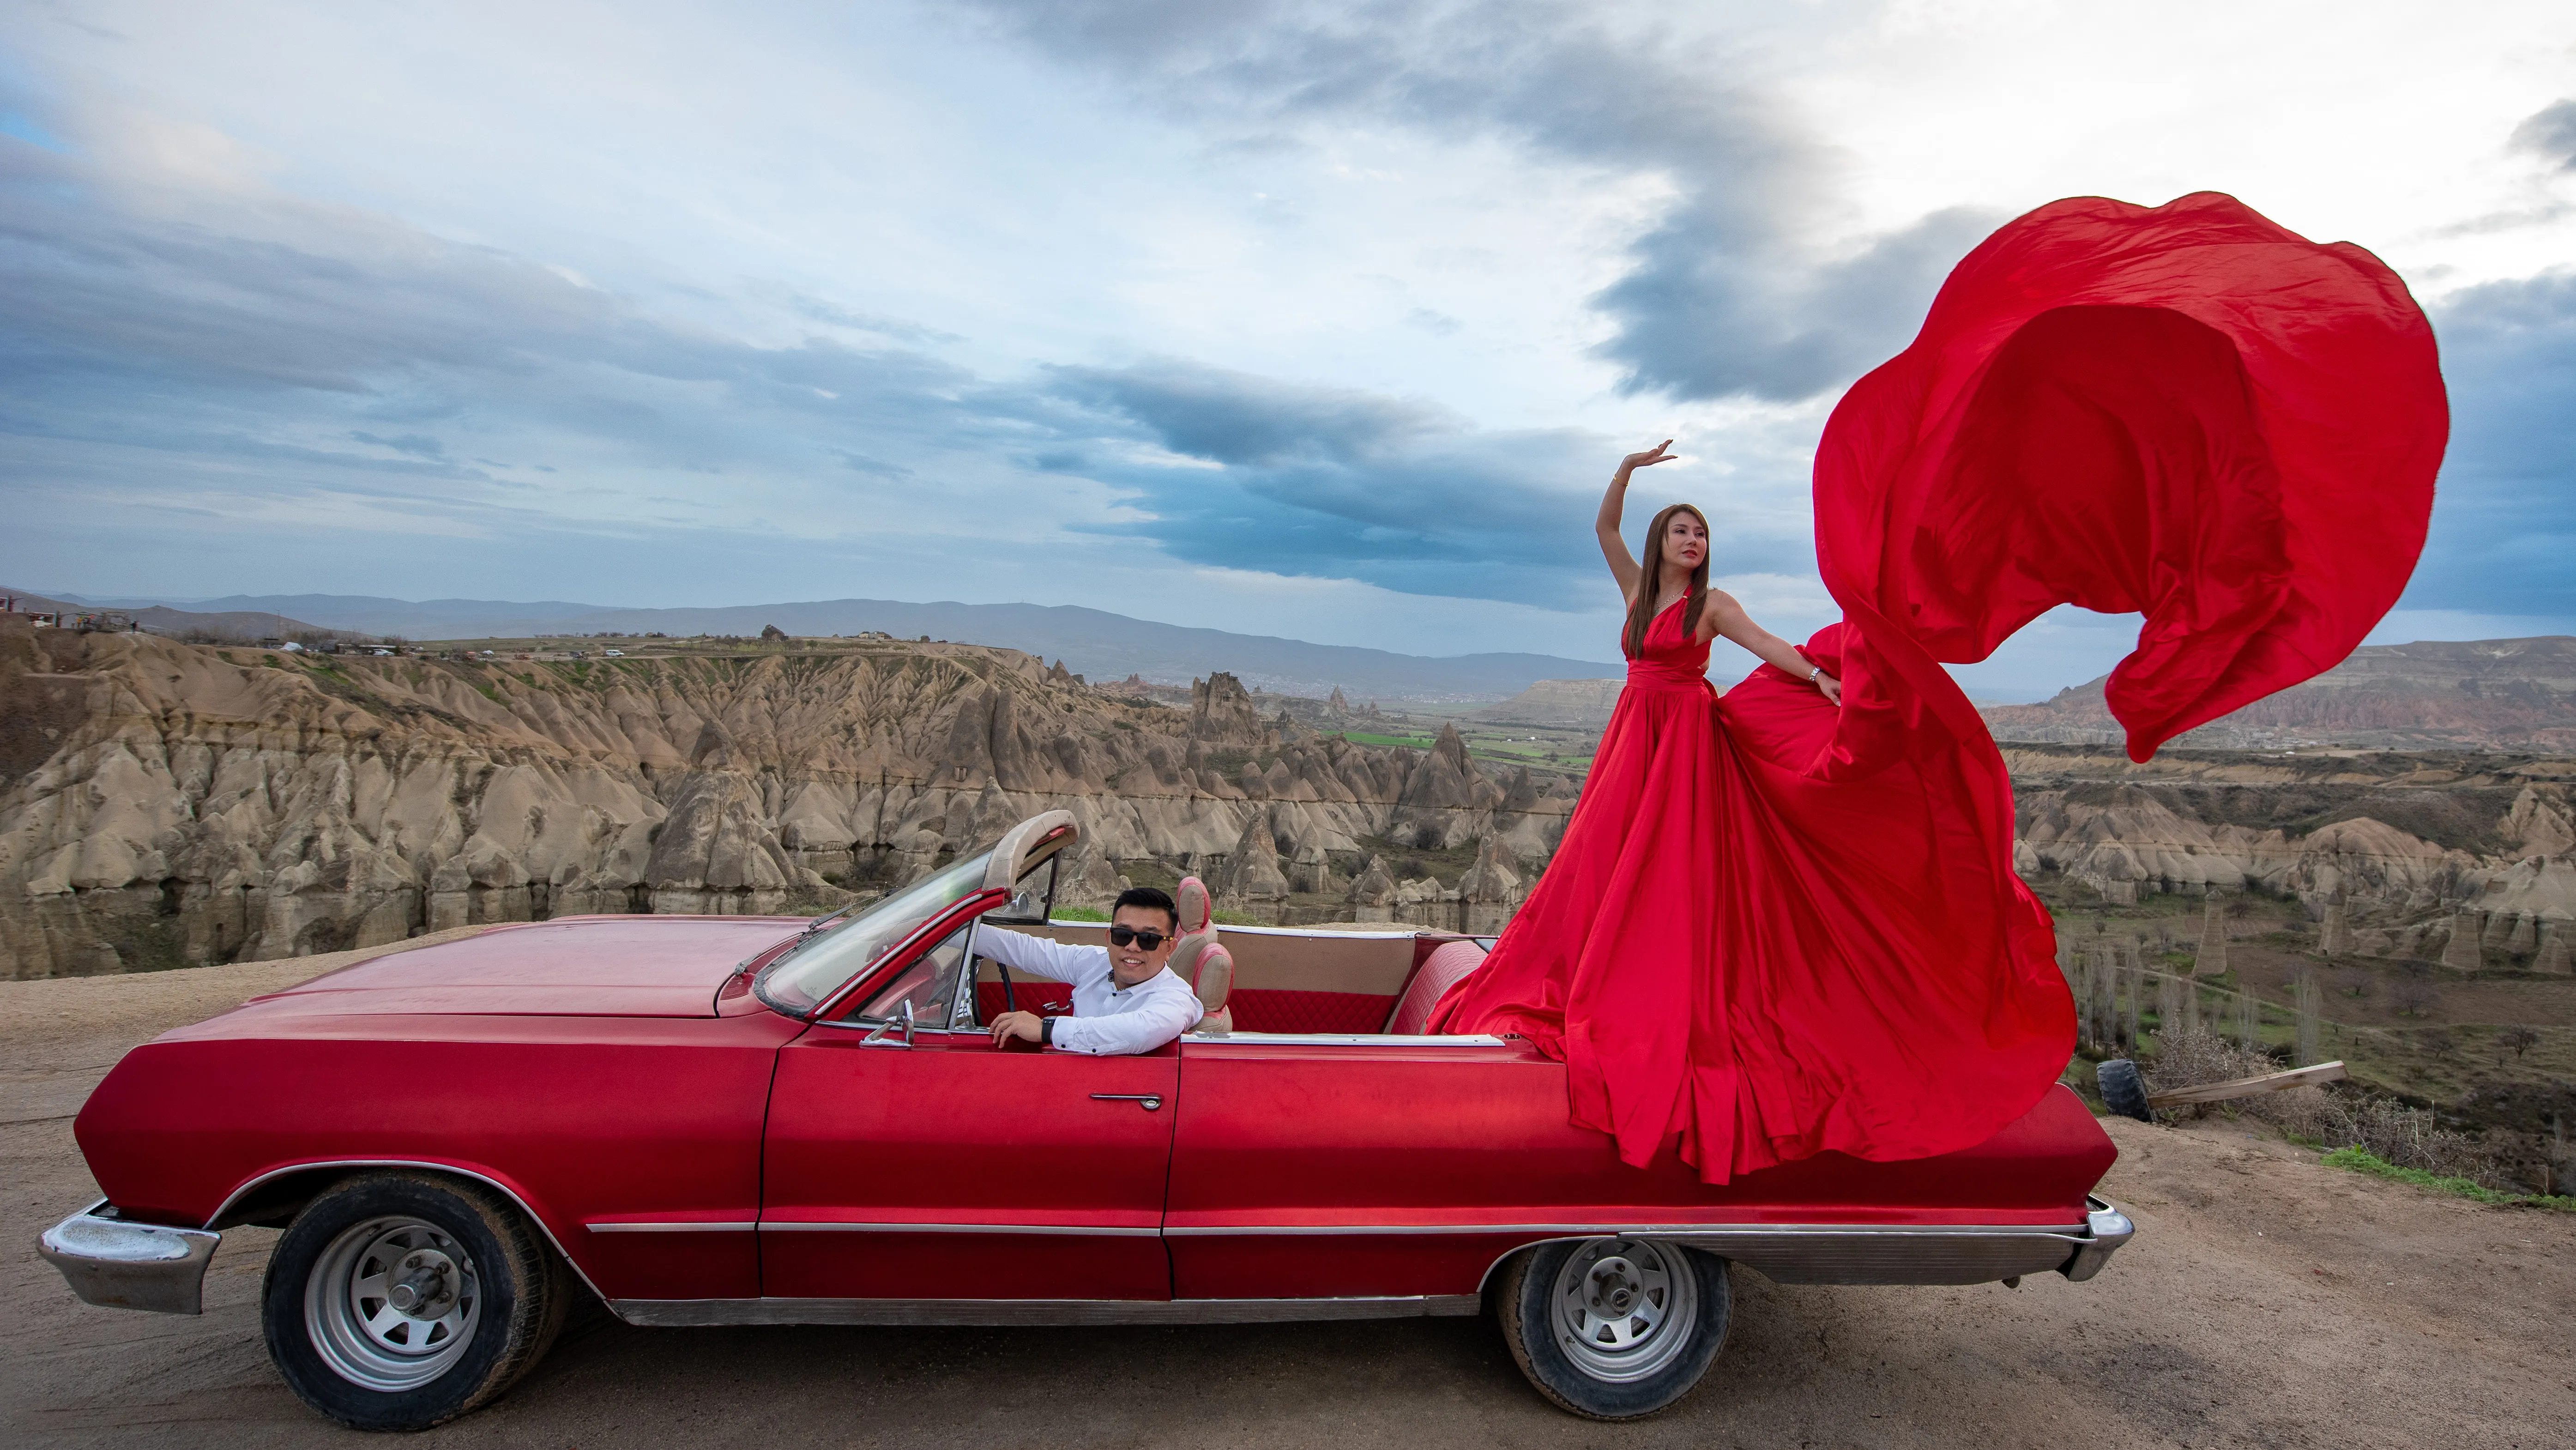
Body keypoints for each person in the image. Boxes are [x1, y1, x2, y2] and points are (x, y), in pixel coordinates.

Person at [1434, 192, 2445, 1185]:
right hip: (1634, 735)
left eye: (1699, 532)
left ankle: (1665, 996)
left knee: (1671, 875)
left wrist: (1827, 680)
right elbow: (1602, 530)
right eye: (1680, 530)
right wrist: (1624, 466)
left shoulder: (1713, 606)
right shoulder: (1634, 590)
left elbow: (1772, 650)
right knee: (1602, 860)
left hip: (1687, 740)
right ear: (1662, 540)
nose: (1690, 541)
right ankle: (1588, 970)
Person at [979, 886, 1204, 1055]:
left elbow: (1137, 1032)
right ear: (1109, 938)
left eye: (1149, 939)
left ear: (1169, 948)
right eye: (1123, 935)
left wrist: (1045, 1029)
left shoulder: (1177, 998)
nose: (1133, 947)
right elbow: (1025, 950)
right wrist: (963, 931)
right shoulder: (1096, 963)